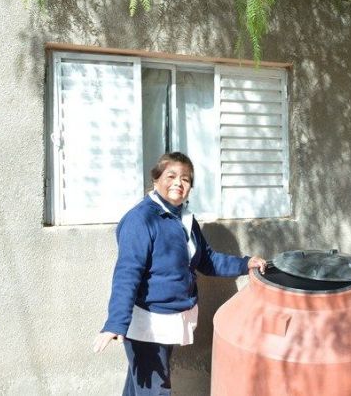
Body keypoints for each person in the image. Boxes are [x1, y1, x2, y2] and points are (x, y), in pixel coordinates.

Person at [93, 152, 267, 396]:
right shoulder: (140, 219)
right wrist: (116, 322)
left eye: (185, 179)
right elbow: (127, 274)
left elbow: (207, 260)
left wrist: (245, 263)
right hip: (148, 322)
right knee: (155, 390)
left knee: (140, 386)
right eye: (171, 176)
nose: (178, 183)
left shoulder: (184, 219)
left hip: (171, 318)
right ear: (156, 179)